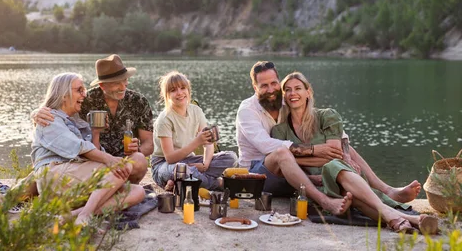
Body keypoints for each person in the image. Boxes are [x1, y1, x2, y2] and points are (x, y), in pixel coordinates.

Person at [236, 61, 421, 216]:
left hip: (294, 172)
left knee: (340, 150)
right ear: (255, 87)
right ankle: (324, 201)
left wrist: (346, 157)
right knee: (284, 153)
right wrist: (315, 150)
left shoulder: (286, 100)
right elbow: (266, 145)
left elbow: (334, 131)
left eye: (274, 83)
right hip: (259, 174)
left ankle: (387, 191)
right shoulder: (247, 110)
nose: (271, 89)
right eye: (264, 85)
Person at [271, 72, 438, 233]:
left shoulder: (326, 116)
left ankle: (394, 214)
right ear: (284, 96)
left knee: (334, 167)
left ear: (308, 92)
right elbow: (286, 166)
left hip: (342, 174)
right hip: (317, 185)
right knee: (354, 198)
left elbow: (335, 154)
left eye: (298, 88)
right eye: (287, 89)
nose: (293, 93)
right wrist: (309, 167)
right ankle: (407, 220)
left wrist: (297, 160)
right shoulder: (279, 131)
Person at [0, 72, 145, 226]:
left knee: (138, 191)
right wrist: (111, 160)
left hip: (74, 181)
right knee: (122, 166)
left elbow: (89, 152)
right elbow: (78, 147)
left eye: (84, 90)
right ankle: (85, 213)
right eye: (79, 90)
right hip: (56, 179)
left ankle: (73, 215)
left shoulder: (77, 120)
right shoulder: (49, 118)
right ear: (63, 96)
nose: (84, 95)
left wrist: (95, 133)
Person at [34, 54, 152, 183]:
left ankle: (119, 187)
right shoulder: (85, 100)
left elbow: (149, 143)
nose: (123, 87)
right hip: (92, 162)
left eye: (125, 80)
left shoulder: (138, 101)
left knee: (140, 160)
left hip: (124, 162)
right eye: (116, 83)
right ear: (102, 85)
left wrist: (137, 149)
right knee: (42, 175)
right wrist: (36, 113)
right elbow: (61, 113)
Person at [151, 71, 238, 191]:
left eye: (183, 88)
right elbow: (170, 158)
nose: (180, 93)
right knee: (181, 169)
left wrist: (205, 164)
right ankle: (218, 184)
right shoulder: (164, 119)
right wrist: (197, 142)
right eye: (173, 90)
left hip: (189, 160)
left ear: (188, 90)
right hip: (163, 165)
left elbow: (208, 143)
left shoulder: (196, 111)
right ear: (167, 94)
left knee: (231, 158)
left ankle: (181, 181)